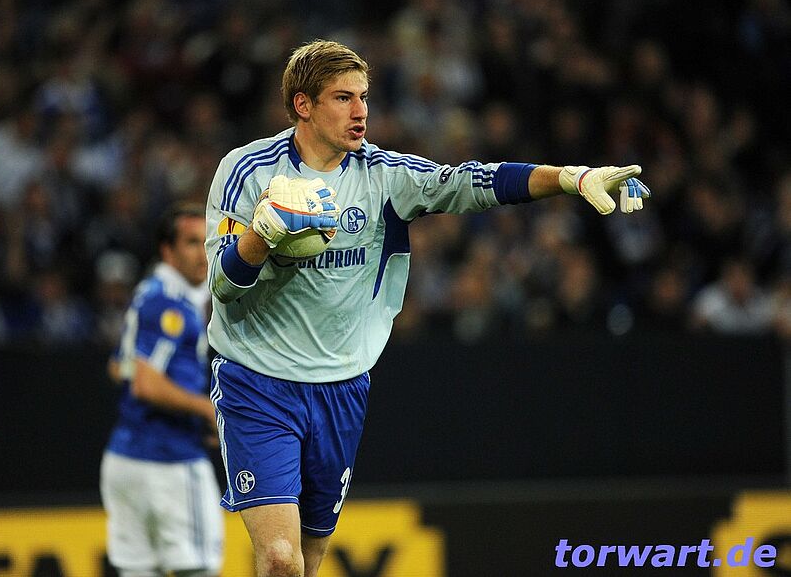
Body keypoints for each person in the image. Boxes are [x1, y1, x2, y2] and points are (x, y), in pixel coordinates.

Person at [204, 40, 650, 577]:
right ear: (303, 105)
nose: (361, 111)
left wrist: (573, 178)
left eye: (364, 97)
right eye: (343, 98)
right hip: (258, 381)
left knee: (310, 556)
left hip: (342, 385)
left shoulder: (385, 175)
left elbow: (477, 183)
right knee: (280, 559)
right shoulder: (247, 171)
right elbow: (223, 285)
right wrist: (262, 235)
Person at [101, 203, 223, 577]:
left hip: (125, 460)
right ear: (167, 251)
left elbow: (119, 368)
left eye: (206, 241)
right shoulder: (170, 303)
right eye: (191, 243)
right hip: (170, 462)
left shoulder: (149, 293)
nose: (203, 253)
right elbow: (145, 383)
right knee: (199, 570)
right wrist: (207, 411)